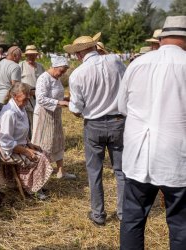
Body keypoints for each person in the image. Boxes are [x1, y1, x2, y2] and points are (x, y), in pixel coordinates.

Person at [118, 16, 186, 250]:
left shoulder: (138, 64)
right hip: (177, 156)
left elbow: (122, 107)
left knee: (133, 219)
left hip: (140, 153)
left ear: (162, 38)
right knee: (180, 223)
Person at [64, 32, 126, 225]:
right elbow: (126, 85)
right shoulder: (115, 60)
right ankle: (124, 213)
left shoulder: (77, 75)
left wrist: (81, 108)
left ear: (79, 54)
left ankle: (98, 214)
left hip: (94, 124)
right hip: (118, 122)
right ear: (95, 47)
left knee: (95, 171)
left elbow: (76, 109)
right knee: (121, 171)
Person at [0, 82, 53, 199]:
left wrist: (29, 144)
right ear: (14, 96)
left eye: (28, 97)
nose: (27, 100)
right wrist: (26, 151)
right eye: (24, 98)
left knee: (44, 152)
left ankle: (35, 184)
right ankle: (32, 188)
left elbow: (21, 132)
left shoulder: (20, 108)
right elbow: (6, 143)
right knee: (39, 158)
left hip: (20, 145)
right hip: (9, 150)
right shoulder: (9, 113)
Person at [31, 55, 76, 180]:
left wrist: (65, 99)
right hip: (43, 116)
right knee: (44, 143)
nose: (62, 74)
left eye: (64, 71)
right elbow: (40, 98)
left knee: (57, 140)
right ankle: (39, 172)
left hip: (55, 114)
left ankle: (61, 171)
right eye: (61, 71)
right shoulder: (43, 78)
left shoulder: (56, 78)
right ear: (55, 67)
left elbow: (56, 95)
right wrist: (59, 103)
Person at [19, 45, 45, 137]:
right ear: (26, 56)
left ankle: (37, 138)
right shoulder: (21, 65)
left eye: (33, 55)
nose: (31, 57)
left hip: (39, 96)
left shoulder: (40, 66)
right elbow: (17, 83)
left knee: (38, 118)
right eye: (29, 55)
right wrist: (26, 91)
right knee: (27, 120)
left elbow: (45, 81)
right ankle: (28, 140)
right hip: (26, 96)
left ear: (36, 55)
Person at [0, 46, 22, 111]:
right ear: (14, 56)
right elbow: (15, 87)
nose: (20, 58)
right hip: (7, 100)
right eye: (20, 56)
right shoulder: (15, 67)